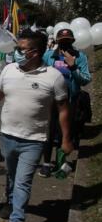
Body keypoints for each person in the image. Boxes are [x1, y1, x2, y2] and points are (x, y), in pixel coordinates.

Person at [0, 30, 73, 222]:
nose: (17, 53)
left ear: (35, 52)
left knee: (23, 181)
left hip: (34, 140)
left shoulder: (53, 77)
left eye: (21, 49)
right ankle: (10, 202)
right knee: (12, 176)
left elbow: (63, 109)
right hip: (7, 136)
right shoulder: (9, 70)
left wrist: (67, 139)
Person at [38, 28, 91, 177]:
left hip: (69, 101)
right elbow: (40, 74)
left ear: (73, 42)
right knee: (48, 132)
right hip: (50, 101)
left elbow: (86, 79)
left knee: (64, 133)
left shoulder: (80, 57)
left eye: (68, 41)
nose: (65, 44)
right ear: (57, 42)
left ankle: (61, 162)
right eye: (62, 42)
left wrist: (73, 66)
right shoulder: (49, 56)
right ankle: (46, 163)